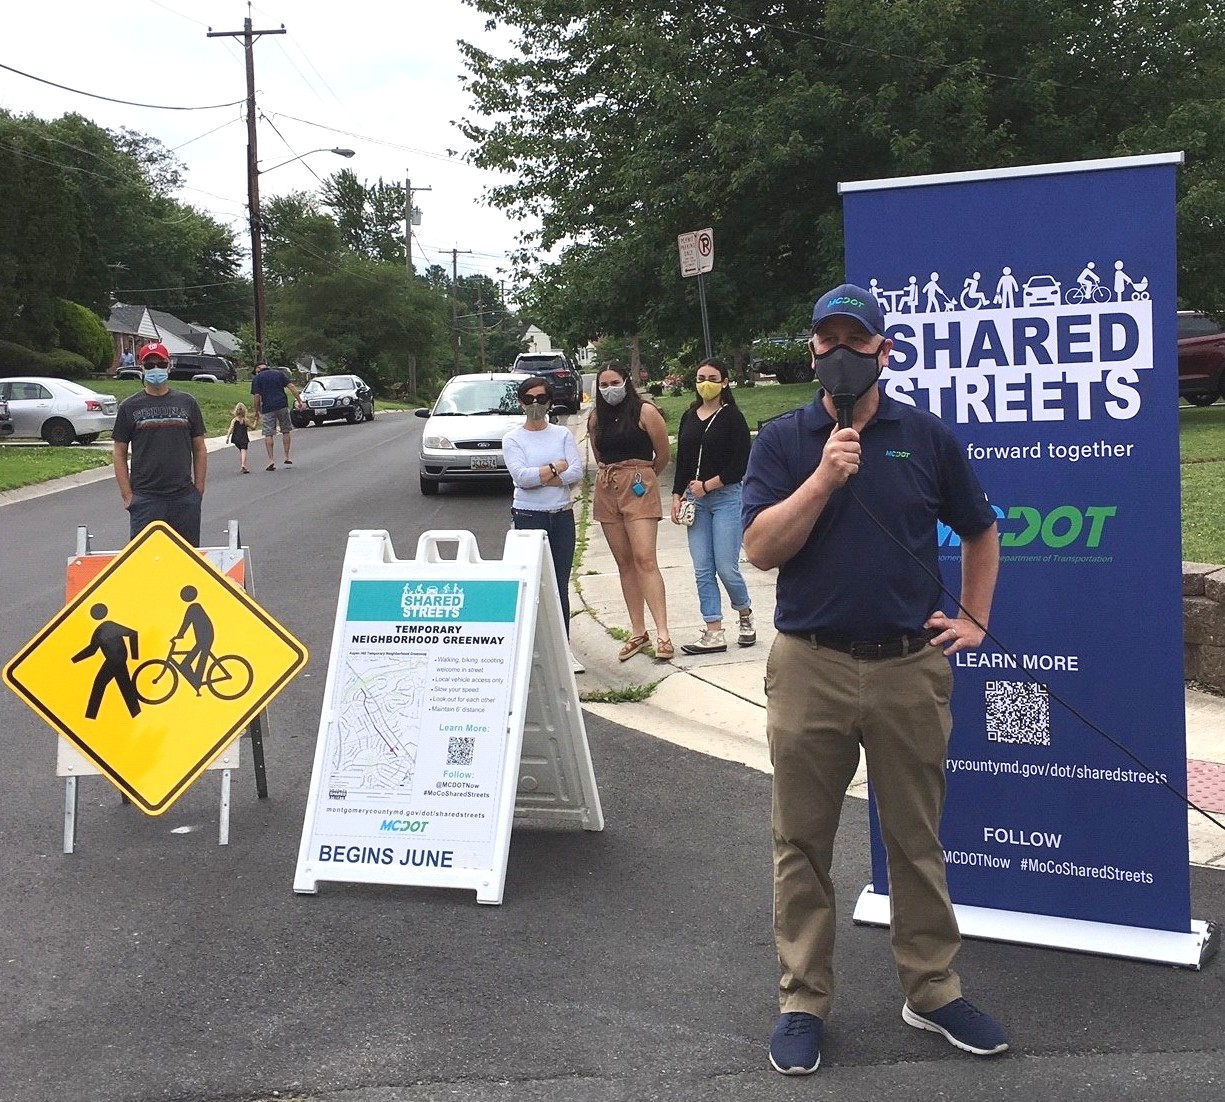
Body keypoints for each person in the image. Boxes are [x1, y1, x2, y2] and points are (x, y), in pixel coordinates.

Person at [742, 284, 1005, 1075]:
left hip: (906, 666)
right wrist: (822, 479)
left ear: (885, 351)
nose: (843, 355)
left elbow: (981, 529)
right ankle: (801, 1000)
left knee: (915, 839)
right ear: (812, 351)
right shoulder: (784, 438)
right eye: (829, 341)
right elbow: (758, 548)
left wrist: (976, 620)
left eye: (859, 342)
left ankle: (930, 989)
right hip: (809, 664)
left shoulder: (924, 436)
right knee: (801, 841)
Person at [588, 361, 673, 661]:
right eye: (604, 384)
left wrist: (644, 479)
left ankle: (663, 633)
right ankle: (638, 631)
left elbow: (662, 455)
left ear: (626, 381)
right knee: (624, 562)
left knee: (645, 558)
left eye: (615, 382)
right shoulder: (596, 418)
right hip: (607, 487)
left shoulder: (645, 412)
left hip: (638, 484)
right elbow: (598, 454)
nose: (610, 389)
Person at [669, 357, 755, 654]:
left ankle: (744, 613)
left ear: (725, 382)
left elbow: (741, 462)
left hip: (726, 497)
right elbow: (683, 459)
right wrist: (677, 494)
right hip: (695, 501)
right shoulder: (689, 416)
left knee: (726, 567)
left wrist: (709, 485)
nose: (705, 383)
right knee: (702, 568)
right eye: (700, 377)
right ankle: (713, 629)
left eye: (712, 377)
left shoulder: (732, 417)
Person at [503, 376, 586, 673]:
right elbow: (521, 479)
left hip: (561, 515)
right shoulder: (512, 439)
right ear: (521, 402)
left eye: (541, 398)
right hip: (529, 517)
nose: (535, 404)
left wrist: (544, 476)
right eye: (529, 399)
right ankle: (527, 652)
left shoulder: (562, 434)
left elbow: (576, 472)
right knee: (531, 585)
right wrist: (554, 468)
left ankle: (564, 651)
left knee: (559, 586)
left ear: (550, 401)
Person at [112, 341, 207, 546]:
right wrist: (127, 495)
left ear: (169, 366)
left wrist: (198, 490)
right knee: (146, 564)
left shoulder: (187, 403)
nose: (156, 368)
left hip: (183, 498)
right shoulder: (129, 407)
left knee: (186, 563)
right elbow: (119, 453)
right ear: (142, 368)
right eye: (150, 365)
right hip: (145, 499)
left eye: (161, 364)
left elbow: (199, 447)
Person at [250, 363, 301, 470]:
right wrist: (299, 400)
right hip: (282, 405)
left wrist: (256, 411)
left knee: (268, 433)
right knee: (286, 430)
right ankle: (287, 456)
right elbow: (291, 386)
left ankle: (271, 460)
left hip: (268, 407)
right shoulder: (279, 374)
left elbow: (257, 396)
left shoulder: (257, 378)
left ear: (258, 369)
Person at [226, 402, 252, 474]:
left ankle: (243, 465)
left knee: (241, 451)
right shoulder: (245, 420)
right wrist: (256, 420)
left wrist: (228, 437)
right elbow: (253, 427)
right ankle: (243, 465)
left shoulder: (234, 420)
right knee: (243, 451)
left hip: (236, 438)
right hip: (243, 438)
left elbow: (231, 428)